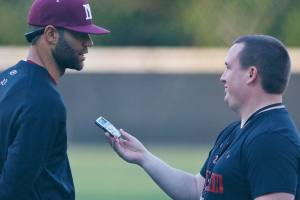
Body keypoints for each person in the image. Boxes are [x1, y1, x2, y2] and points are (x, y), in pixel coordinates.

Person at [106, 35, 300, 200]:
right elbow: (196, 188)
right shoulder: (236, 131)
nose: (222, 77)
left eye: (229, 68)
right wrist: (143, 157)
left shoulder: (273, 139)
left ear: (251, 74)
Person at [0, 0, 109, 199]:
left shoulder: (7, 79)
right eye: (79, 34)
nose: (88, 42)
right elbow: (12, 191)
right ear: (50, 34)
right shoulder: (43, 100)